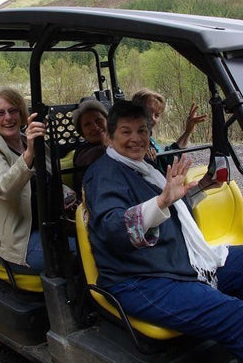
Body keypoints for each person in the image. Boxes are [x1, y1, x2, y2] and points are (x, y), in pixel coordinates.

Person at [83, 100, 243, 359]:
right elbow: (114, 228)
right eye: (126, 131)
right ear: (110, 138)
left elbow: (170, 209)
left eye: (142, 130)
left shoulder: (144, 168)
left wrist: (200, 186)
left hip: (177, 260)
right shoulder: (103, 175)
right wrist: (161, 201)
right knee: (236, 317)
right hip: (139, 279)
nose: (136, 138)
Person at [0, 88, 49, 273]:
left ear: (22, 114)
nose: (8, 118)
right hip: (17, 240)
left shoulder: (28, 140)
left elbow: (50, 174)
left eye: (13, 111)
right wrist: (29, 154)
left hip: (45, 226)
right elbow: (4, 188)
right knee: (79, 253)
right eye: (0, 113)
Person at [132, 89, 207, 172]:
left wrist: (188, 131)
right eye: (147, 112)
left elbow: (167, 162)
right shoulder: (129, 144)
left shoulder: (150, 141)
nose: (153, 119)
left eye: (156, 115)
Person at [72, 99, 108, 198]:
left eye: (98, 121)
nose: (95, 127)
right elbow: (97, 156)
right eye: (87, 124)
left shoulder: (119, 144)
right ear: (82, 132)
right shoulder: (82, 153)